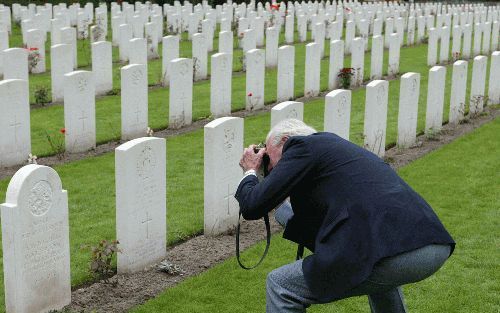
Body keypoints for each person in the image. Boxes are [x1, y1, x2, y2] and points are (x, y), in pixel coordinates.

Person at [235, 119, 455, 313]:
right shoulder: (333, 150)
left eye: (270, 159)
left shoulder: (301, 146)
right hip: (430, 245)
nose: (272, 168)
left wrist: (251, 171)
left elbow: (253, 206)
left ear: (284, 140)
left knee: (281, 285)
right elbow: (309, 222)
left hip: (402, 252)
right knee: (374, 270)